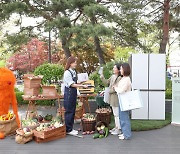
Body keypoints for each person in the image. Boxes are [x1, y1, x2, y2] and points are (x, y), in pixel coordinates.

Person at [63, 56, 88, 135]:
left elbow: (76, 82)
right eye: (75, 62)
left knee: (72, 110)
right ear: (70, 63)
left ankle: (70, 128)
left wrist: (82, 82)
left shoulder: (73, 72)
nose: (76, 64)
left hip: (73, 94)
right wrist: (82, 86)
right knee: (69, 111)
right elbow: (72, 84)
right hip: (69, 94)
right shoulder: (67, 72)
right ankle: (68, 129)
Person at [100, 63, 122, 135]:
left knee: (117, 114)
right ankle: (116, 127)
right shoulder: (112, 76)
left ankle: (118, 129)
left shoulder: (119, 78)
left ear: (118, 70)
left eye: (114, 68)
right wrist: (102, 76)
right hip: (112, 98)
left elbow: (116, 89)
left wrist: (108, 91)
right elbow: (106, 83)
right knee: (115, 113)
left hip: (116, 98)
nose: (113, 69)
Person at [114, 63, 132, 140]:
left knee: (124, 118)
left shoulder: (126, 79)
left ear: (125, 69)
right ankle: (124, 133)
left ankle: (127, 135)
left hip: (125, 101)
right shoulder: (124, 78)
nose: (120, 70)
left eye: (121, 69)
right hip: (122, 100)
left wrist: (115, 88)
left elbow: (121, 90)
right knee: (122, 117)